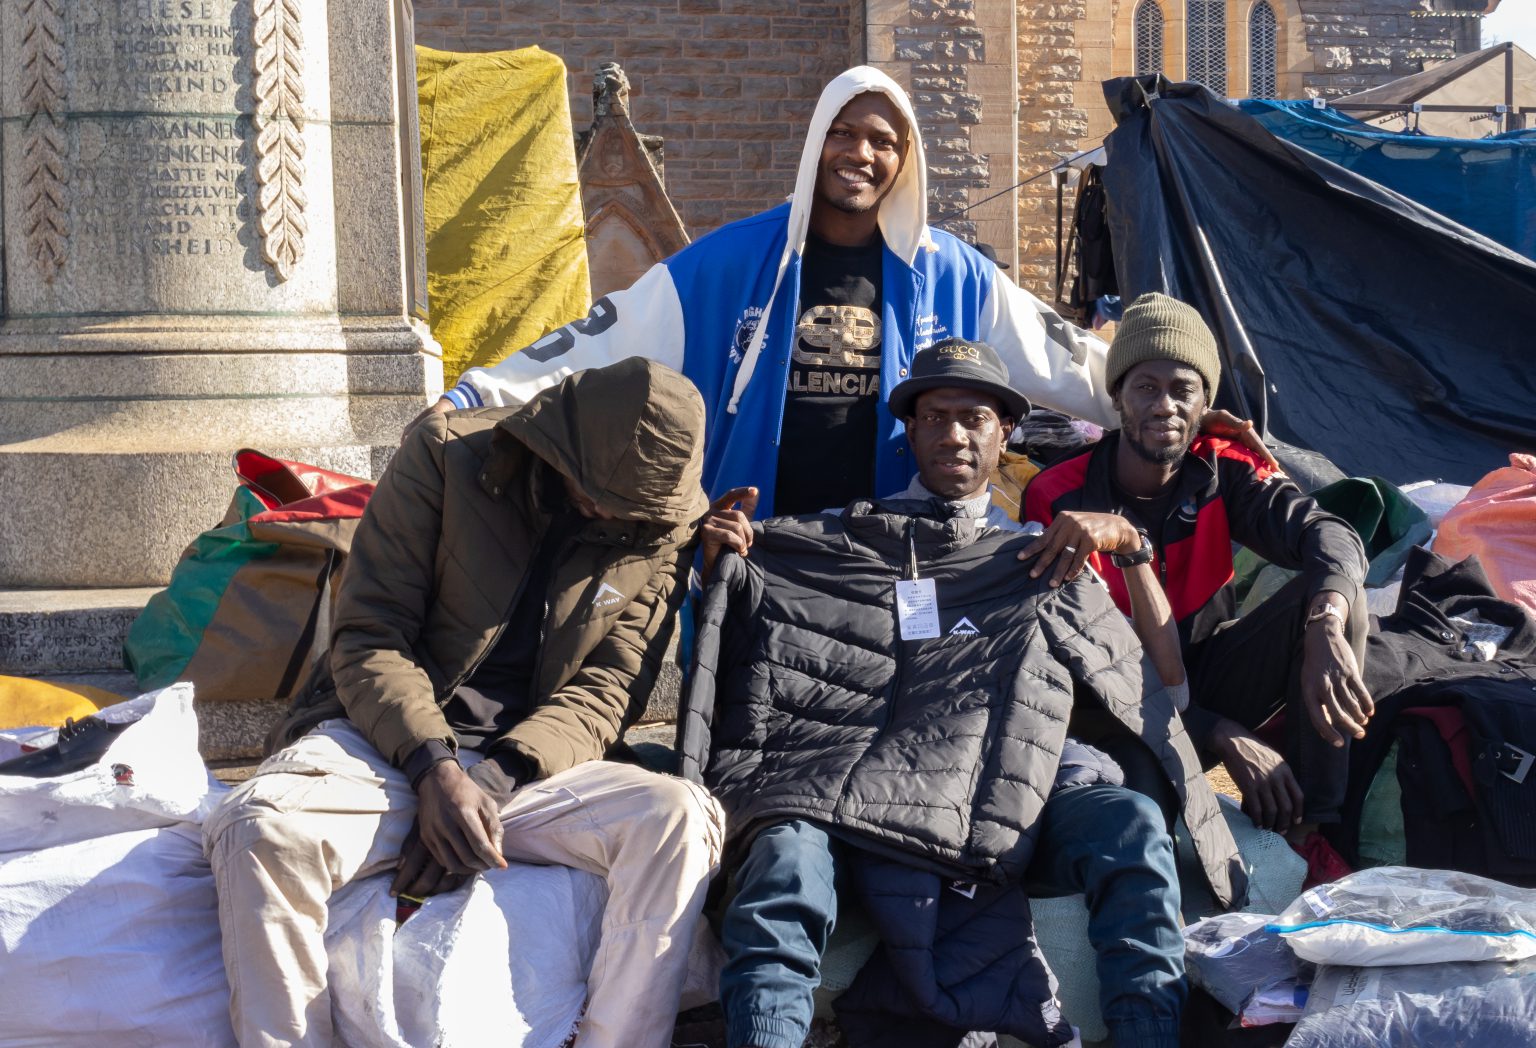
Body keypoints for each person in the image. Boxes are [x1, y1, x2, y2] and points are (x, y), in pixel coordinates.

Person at [690, 340, 1243, 1048]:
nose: (954, 433)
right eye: (936, 416)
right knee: (781, 858)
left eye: (973, 417)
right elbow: (734, 670)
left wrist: (1130, 550)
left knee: (1129, 824)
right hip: (830, 784)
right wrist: (721, 573)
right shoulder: (824, 544)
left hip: (1003, 796)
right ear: (912, 431)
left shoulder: (1040, 556)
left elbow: (1162, 686)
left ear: (1003, 430)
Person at [411, 66, 1270, 515]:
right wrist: (479, 395)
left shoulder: (950, 273)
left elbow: (1065, 361)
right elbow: (598, 340)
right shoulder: (727, 267)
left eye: (884, 141)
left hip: (890, 549)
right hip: (753, 545)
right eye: (846, 134)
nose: (862, 154)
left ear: (906, 161)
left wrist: (1168, 410)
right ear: (818, 140)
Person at [203, 359, 726, 1048]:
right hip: (385, 746)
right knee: (258, 827)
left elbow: (608, 693)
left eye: (634, 509)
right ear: (559, 447)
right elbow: (370, 636)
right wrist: (434, 771)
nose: (614, 517)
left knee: (682, 818)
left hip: (531, 773)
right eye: (602, 495)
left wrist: (491, 781)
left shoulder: (660, 526)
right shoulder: (445, 459)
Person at [1023, 293, 1371, 840]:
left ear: (1205, 401)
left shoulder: (1221, 466)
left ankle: (1316, 831)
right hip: (1116, 709)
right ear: (1118, 398)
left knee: (1332, 597)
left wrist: (1326, 621)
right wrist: (1217, 732)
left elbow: (1330, 533)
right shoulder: (1060, 497)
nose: (1165, 405)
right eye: (1146, 387)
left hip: (1209, 671)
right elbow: (1071, 666)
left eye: (1183, 389)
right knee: (1143, 817)